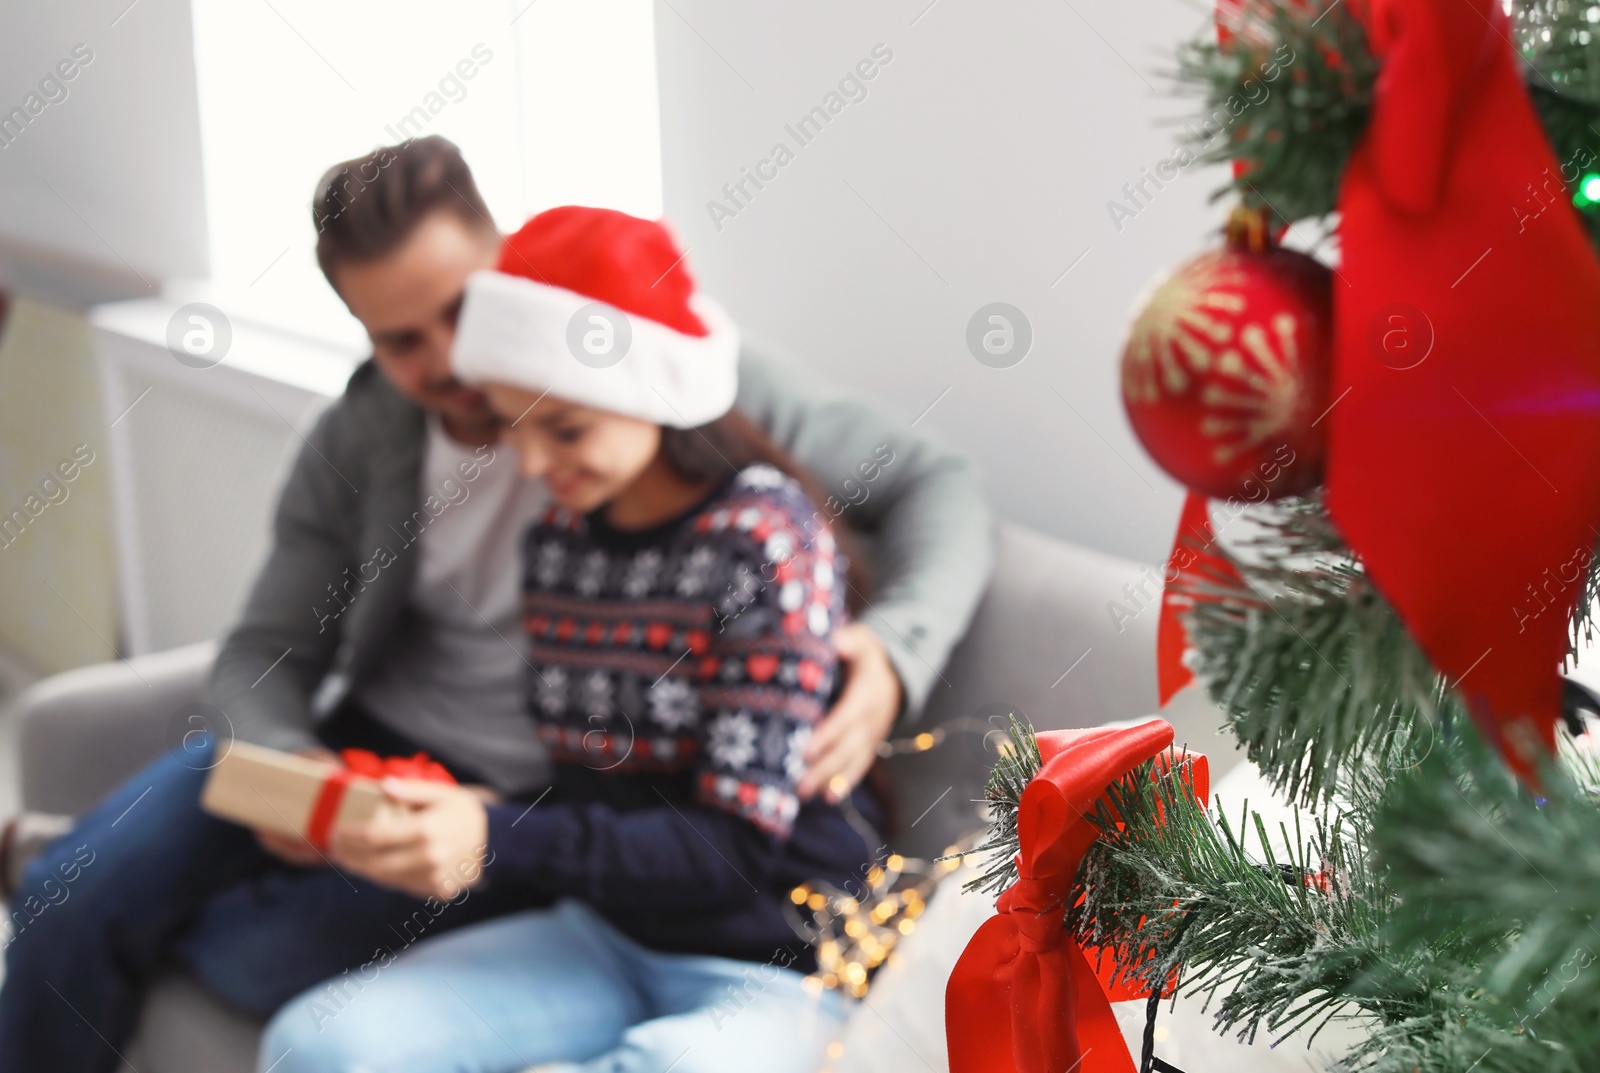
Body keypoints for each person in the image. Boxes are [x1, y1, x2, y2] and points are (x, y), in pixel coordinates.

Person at [0, 137, 992, 1072]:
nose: (447, 360)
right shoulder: (388, 447)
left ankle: (108, 864)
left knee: (252, 954)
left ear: (505, 266)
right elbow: (267, 643)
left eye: (459, 310)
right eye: (400, 338)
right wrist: (293, 763)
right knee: (69, 896)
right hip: (387, 745)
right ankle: (78, 860)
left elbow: (931, 482)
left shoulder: (649, 374)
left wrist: (893, 649)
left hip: (539, 809)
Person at [262, 205, 884, 1073]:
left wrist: (494, 834)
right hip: (600, 934)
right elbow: (589, 788)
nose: (531, 466)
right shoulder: (559, 543)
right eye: (518, 427)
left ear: (650, 393)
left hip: (783, 961)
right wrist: (439, 817)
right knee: (316, 1042)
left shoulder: (764, 539)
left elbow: (735, 847)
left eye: (565, 430)